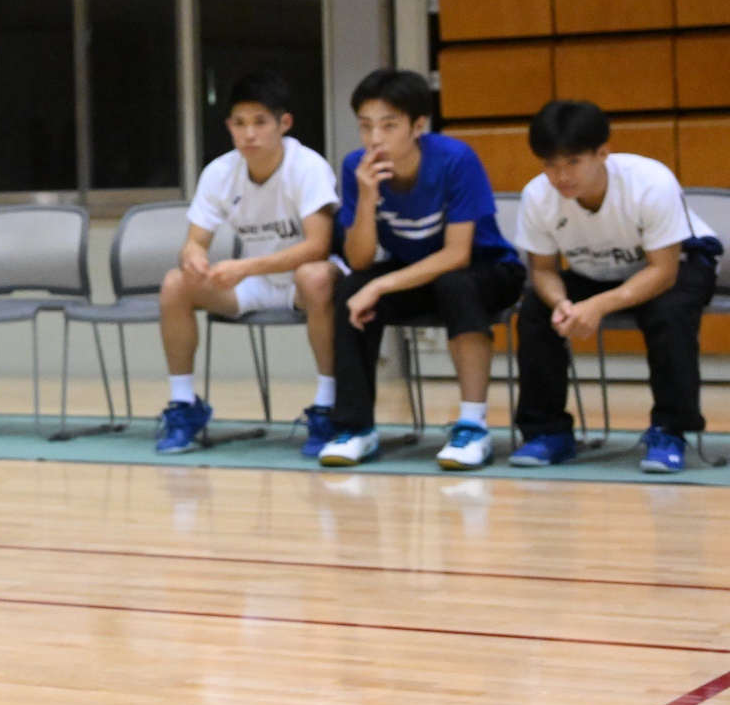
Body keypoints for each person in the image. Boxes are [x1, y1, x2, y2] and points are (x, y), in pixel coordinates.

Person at [319, 68, 524, 469]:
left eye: (388, 125)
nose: (375, 138)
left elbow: (457, 254)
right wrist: (366, 198)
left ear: (418, 126)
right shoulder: (357, 167)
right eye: (366, 126)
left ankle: (473, 426)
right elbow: (359, 260)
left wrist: (381, 286)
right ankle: (355, 428)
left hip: (487, 268)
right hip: (415, 270)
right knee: (351, 288)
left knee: (454, 285)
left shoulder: (455, 159)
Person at [508, 101, 721, 474]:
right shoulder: (537, 195)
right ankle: (548, 432)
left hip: (677, 264)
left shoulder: (651, 182)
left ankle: (670, 432)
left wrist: (598, 306)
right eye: (550, 164)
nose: (561, 176)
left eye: (573, 162)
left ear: (603, 153)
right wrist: (561, 303)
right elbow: (542, 270)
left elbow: (663, 272)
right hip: (596, 271)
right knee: (536, 312)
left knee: (669, 312)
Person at [152, 73, 340, 456]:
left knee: (316, 277)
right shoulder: (219, 172)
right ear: (229, 127)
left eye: (260, 122)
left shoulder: (308, 166)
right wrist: (195, 261)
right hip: (256, 284)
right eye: (239, 123)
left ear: (284, 123)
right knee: (175, 283)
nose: (249, 134)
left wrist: (245, 267)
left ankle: (329, 405)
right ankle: (184, 405)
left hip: (301, 282)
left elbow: (318, 246)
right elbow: (194, 242)